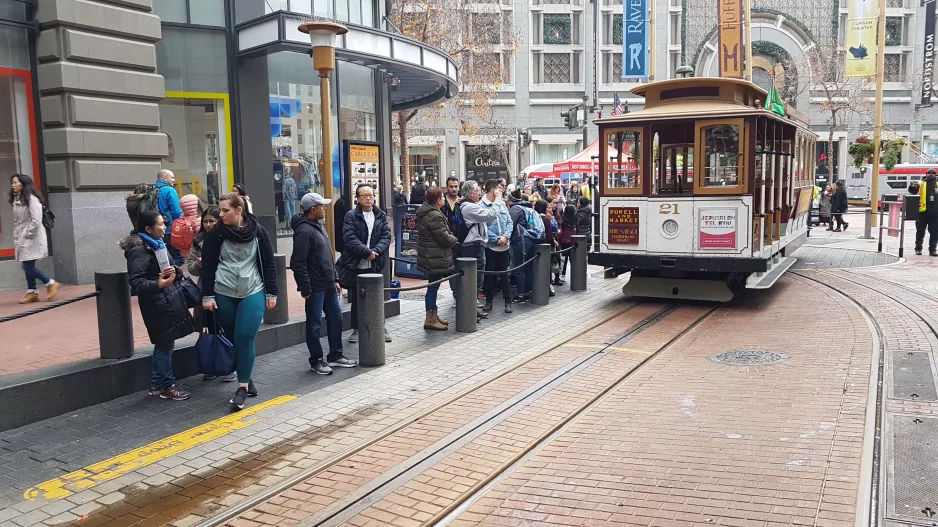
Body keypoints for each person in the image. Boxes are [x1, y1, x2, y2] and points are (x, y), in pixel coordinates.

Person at [200, 193, 278, 410]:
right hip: (223, 292)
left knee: (245, 336)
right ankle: (247, 375)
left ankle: (242, 387)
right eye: (220, 210)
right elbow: (208, 267)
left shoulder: (258, 232)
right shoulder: (215, 235)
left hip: (253, 290)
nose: (220, 214)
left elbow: (269, 264)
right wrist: (208, 295)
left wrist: (272, 293)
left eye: (225, 210)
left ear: (239, 211)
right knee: (234, 338)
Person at [120, 210, 193, 401]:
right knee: (164, 344)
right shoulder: (139, 250)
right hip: (156, 303)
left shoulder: (156, 245)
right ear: (147, 229)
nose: (164, 227)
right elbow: (136, 282)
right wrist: (158, 284)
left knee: (165, 344)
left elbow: (167, 267)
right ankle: (167, 386)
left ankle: (156, 384)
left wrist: (175, 271)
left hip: (167, 300)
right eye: (160, 224)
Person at [292, 193, 352, 374]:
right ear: (313, 209)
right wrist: (305, 287)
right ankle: (316, 360)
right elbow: (298, 262)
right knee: (314, 324)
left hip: (327, 284)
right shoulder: (304, 231)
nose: (325, 209)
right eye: (322, 206)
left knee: (336, 319)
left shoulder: (318, 227)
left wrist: (334, 278)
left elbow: (327, 256)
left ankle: (335, 355)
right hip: (315, 286)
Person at [337, 184, 392, 344]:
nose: (369, 198)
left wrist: (375, 251)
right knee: (357, 297)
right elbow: (349, 237)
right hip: (356, 262)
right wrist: (365, 252)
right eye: (365, 196)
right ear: (358, 198)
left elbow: (386, 236)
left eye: (371, 195)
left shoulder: (380, 215)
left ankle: (380, 327)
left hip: (375, 261)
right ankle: (357, 328)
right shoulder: (351, 216)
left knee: (377, 295)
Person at [187, 206, 229, 381]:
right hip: (207, 288)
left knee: (226, 325)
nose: (209, 224)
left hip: (226, 287)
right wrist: (200, 264)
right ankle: (213, 365)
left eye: (212, 221)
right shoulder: (198, 241)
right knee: (210, 326)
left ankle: (230, 364)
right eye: (205, 221)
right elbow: (191, 268)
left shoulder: (228, 237)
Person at [10, 174, 59, 304]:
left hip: (32, 235)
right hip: (24, 235)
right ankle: (32, 292)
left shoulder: (31, 199)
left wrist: (27, 235)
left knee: (27, 266)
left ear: (23, 184)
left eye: (15, 182)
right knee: (28, 263)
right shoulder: (19, 199)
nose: (13, 185)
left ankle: (50, 283)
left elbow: (36, 220)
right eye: (12, 183)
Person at [416, 187, 458, 330]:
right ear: (439, 199)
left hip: (429, 255)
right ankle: (430, 318)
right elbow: (443, 237)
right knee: (433, 288)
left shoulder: (426, 212)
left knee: (433, 286)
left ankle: (433, 315)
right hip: (434, 256)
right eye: (442, 197)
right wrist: (454, 239)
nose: (444, 199)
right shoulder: (434, 215)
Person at [457, 180, 499, 313]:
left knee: (475, 277)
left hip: (472, 245)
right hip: (473, 247)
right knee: (475, 277)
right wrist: (497, 200)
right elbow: (490, 215)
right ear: (470, 193)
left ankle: (471, 308)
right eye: (477, 191)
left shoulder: (466, 205)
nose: (479, 194)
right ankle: (470, 309)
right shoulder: (469, 207)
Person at [482, 179, 513, 314]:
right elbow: (483, 227)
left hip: (504, 246)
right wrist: (496, 239)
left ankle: (508, 301)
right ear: (492, 190)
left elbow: (509, 222)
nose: (501, 191)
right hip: (490, 247)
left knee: (504, 274)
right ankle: (489, 301)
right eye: (499, 188)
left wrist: (505, 236)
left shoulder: (502, 204)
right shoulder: (481, 206)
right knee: (490, 275)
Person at [507, 189, 544, 302]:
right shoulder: (527, 208)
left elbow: (510, 225)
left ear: (511, 200)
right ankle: (527, 293)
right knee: (527, 267)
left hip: (520, 240)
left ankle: (521, 294)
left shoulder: (515, 209)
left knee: (519, 268)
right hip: (530, 240)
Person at [155, 169, 185, 266]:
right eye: (172, 177)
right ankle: (175, 279)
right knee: (177, 258)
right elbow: (177, 212)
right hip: (170, 229)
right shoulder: (169, 190)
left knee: (164, 259)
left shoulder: (153, 190)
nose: (174, 180)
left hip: (156, 230)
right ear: (164, 178)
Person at [914, 169, 938, 256]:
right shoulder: (921, 184)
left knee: (934, 232)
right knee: (920, 231)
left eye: (933, 173)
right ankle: (918, 248)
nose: (931, 175)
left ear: (936, 175)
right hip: (922, 212)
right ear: (926, 175)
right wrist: (912, 187)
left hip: (935, 213)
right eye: (929, 173)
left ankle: (933, 249)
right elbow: (913, 191)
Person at [557, 204, 578, 281]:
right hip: (574, 241)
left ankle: (562, 274)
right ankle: (576, 274)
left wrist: (559, 240)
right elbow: (578, 230)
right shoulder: (575, 219)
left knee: (564, 259)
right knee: (574, 259)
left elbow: (560, 232)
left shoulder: (563, 219)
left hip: (564, 241)